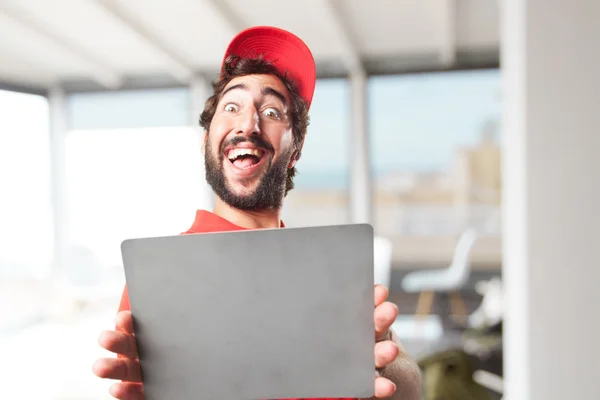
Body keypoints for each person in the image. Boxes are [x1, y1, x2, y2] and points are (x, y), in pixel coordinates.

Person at [92, 26, 422, 400]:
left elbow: (408, 386)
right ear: (206, 140)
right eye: (231, 107)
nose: (248, 124)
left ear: (294, 150)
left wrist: (383, 362)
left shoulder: (329, 272)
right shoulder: (159, 279)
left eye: (270, 111)